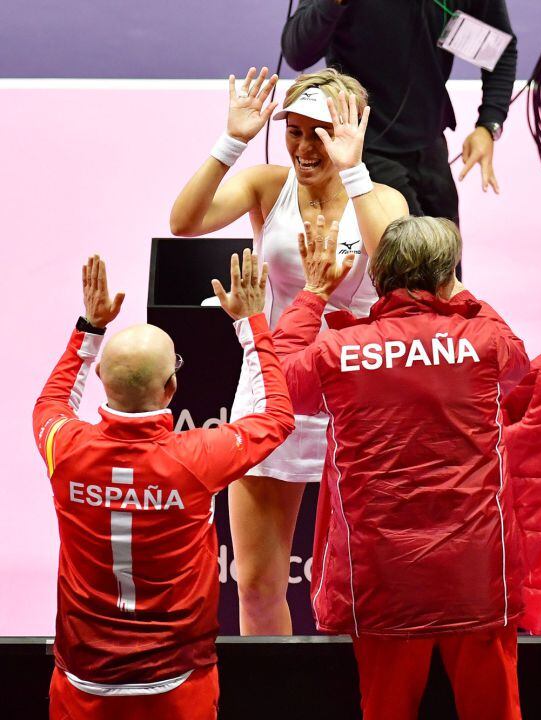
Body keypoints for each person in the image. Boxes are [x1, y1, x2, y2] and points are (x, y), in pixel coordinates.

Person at [170, 66, 408, 634]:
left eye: (320, 132)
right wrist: (233, 140)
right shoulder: (267, 186)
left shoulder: (384, 198)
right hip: (273, 384)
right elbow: (185, 222)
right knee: (255, 584)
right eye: (294, 131)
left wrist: (352, 174)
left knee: (368, 582)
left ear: (351, 133)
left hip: (358, 395)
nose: (304, 147)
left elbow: (396, 269)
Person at [271, 215, 530, 720]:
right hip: (475, 578)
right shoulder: (482, 340)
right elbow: (520, 373)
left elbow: (276, 382)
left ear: (379, 275)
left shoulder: (336, 350)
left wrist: (314, 294)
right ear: (445, 275)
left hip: (382, 583)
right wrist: (461, 292)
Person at [34, 253, 293, 719]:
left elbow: (53, 399)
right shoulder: (198, 457)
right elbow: (276, 415)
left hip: (81, 681)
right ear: (172, 387)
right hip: (177, 684)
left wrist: (89, 328)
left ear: (100, 380)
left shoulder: (62, 445)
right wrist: (252, 323)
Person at [282, 0, 518, 226]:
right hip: (363, 143)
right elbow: (298, 52)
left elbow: (500, 50)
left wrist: (489, 124)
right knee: (407, 256)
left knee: (447, 259)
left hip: (429, 142)